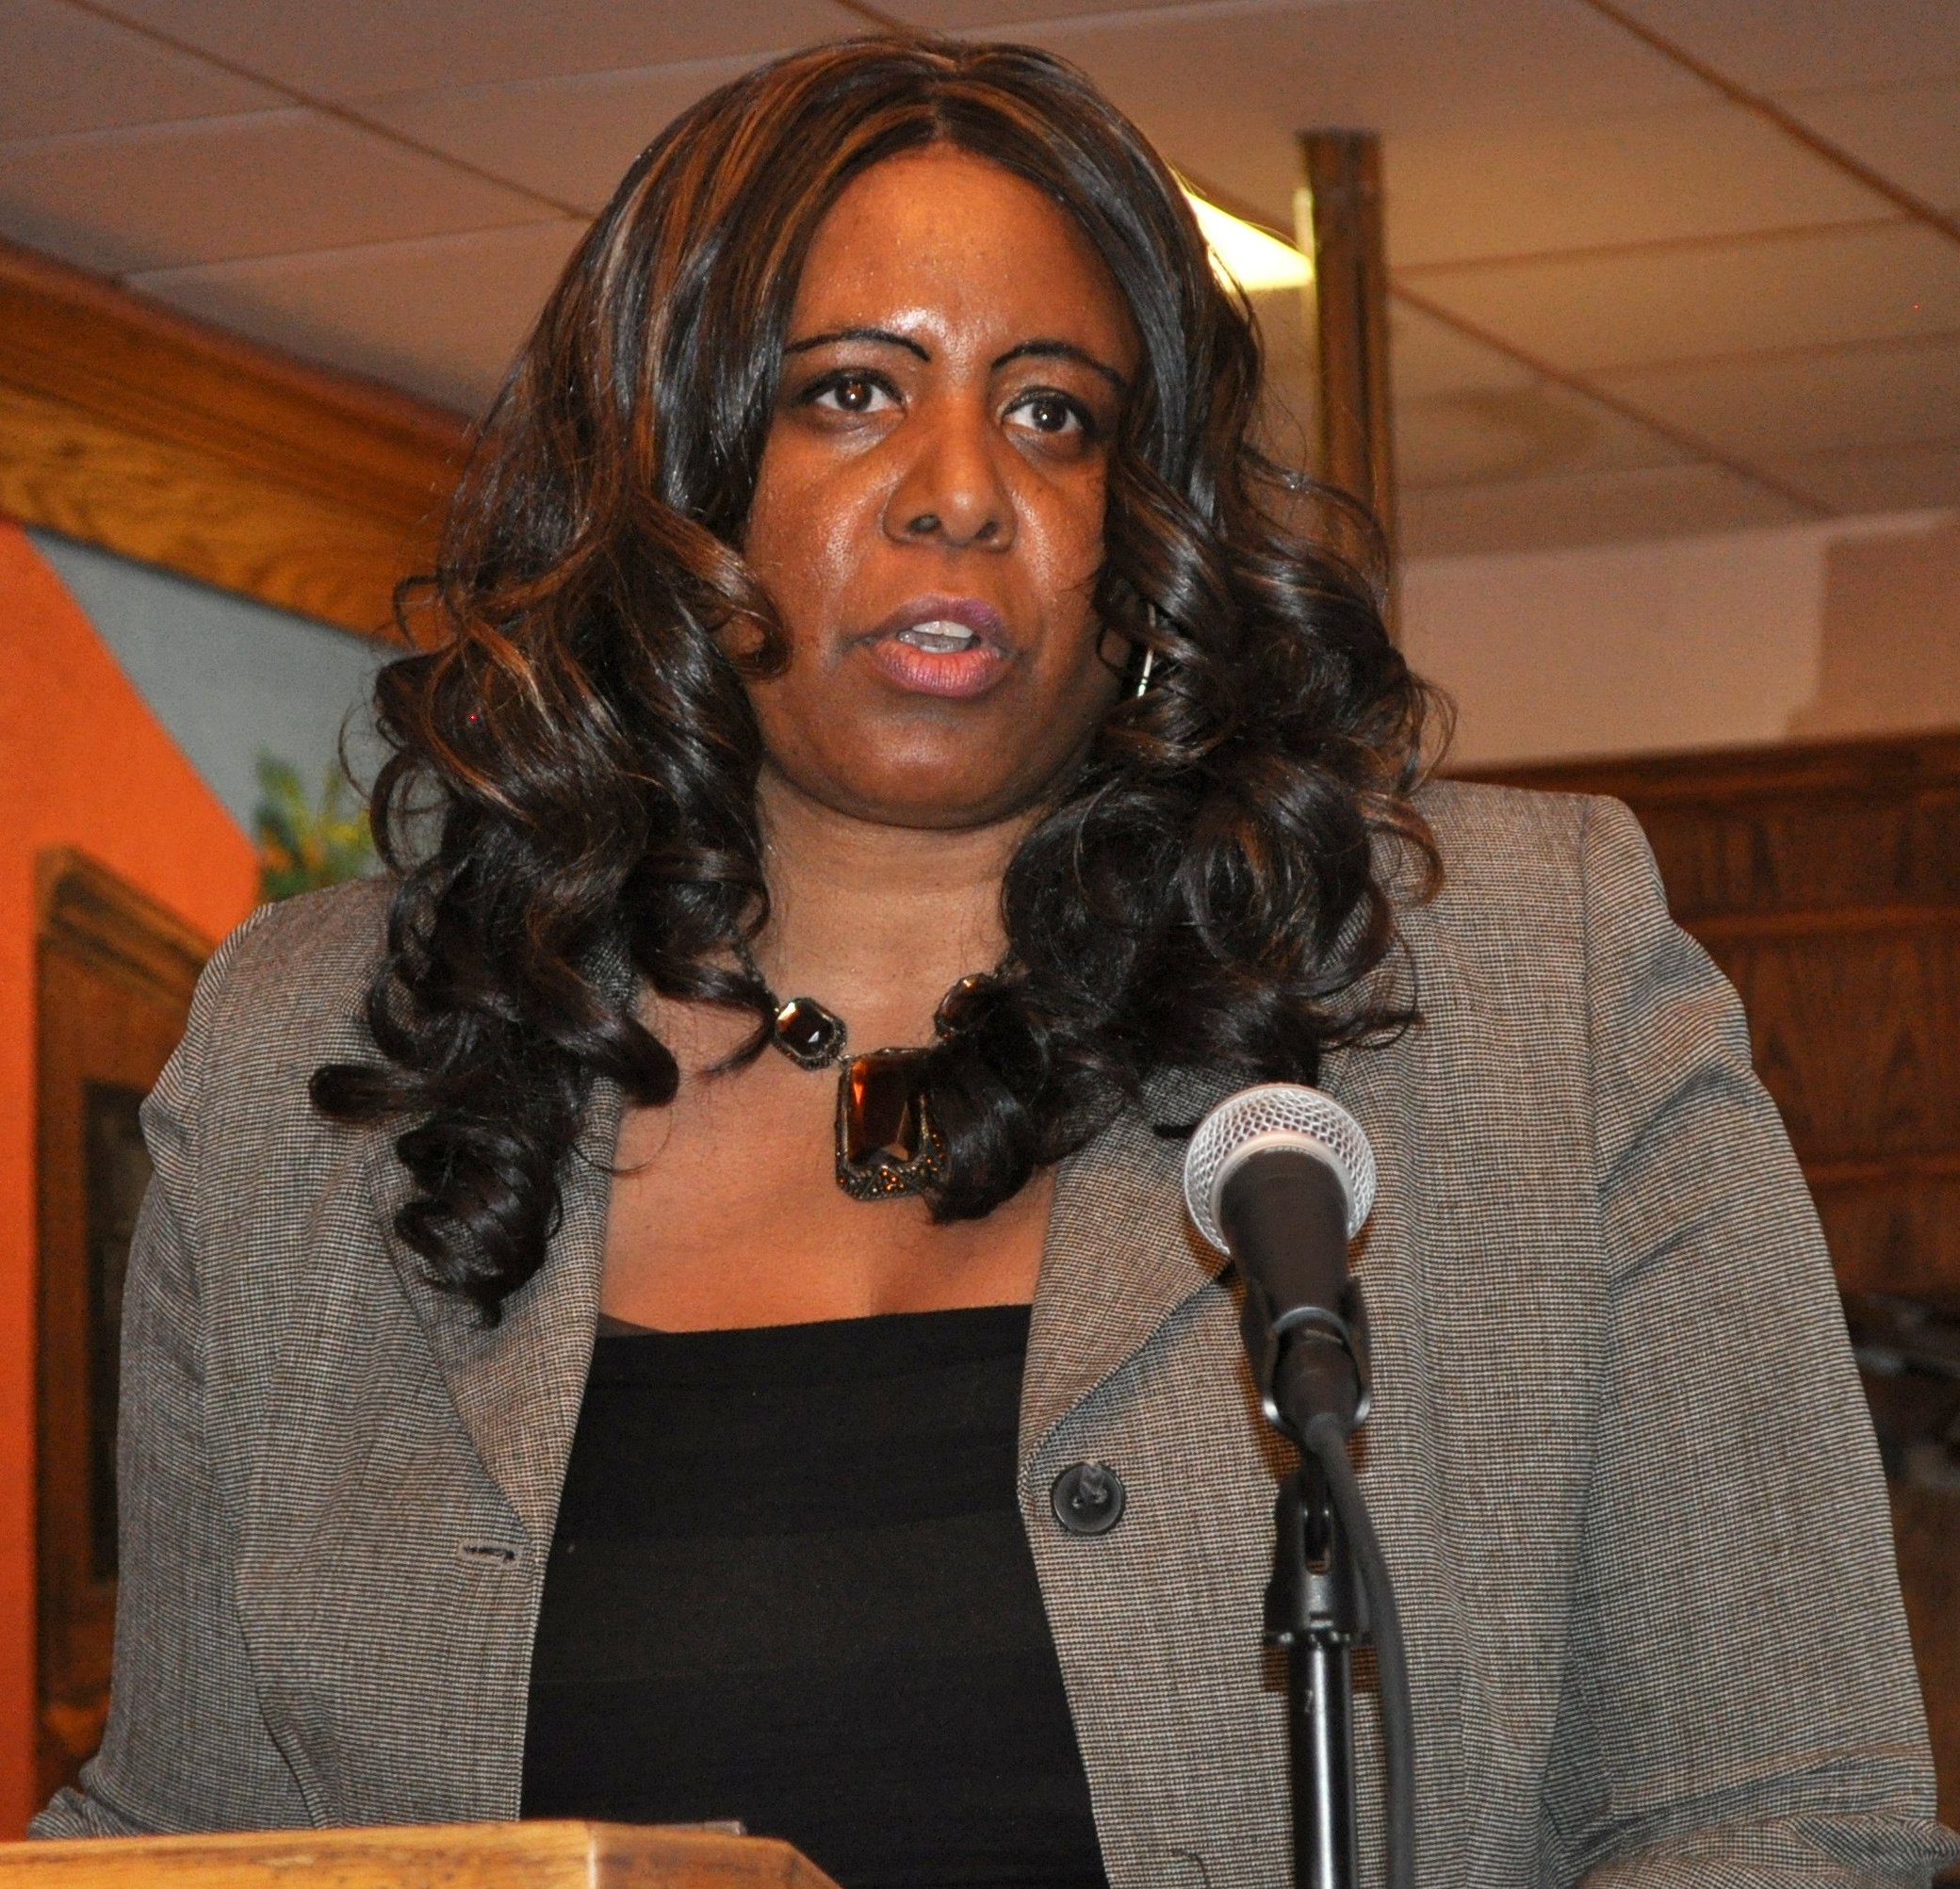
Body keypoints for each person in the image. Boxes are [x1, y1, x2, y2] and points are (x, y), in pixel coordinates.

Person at [31, 34, 1955, 1889]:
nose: (962, 486)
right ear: (670, 471)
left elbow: (1786, 1815)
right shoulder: (322, 1068)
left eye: (1052, 413)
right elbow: (193, 1837)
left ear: (1143, 521)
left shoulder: (1527, 988)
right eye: (849, 391)